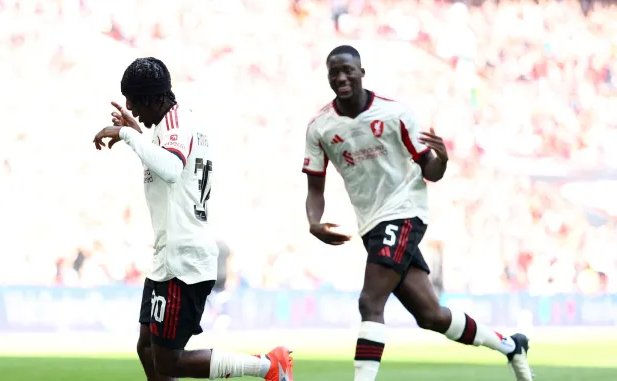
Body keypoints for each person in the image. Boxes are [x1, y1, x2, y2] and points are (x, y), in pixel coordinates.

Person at [301, 45, 533, 381]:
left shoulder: (395, 115)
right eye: (333, 72)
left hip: (404, 211)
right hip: (371, 223)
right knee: (431, 315)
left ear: (362, 72)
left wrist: (443, 159)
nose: (341, 77)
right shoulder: (320, 128)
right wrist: (313, 222)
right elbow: (314, 188)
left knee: (370, 302)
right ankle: (511, 346)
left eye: (347, 70)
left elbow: (431, 171)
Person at [93, 57, 293, 381]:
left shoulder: (177, 123)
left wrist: (129, 137)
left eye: (136, 101)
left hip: (182, 261)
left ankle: (269, 366)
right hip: (168, 257)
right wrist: (138, 135)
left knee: (168, 362)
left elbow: (171, 168)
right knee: (146, 350)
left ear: (157, 98)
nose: (131, 107)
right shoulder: (170, 125)